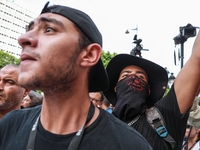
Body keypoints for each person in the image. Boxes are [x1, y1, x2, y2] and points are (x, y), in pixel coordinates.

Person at [0, 2, 152, 150]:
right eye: (29, 30)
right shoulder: (9, 125)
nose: (23, 39)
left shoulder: (129, 144)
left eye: (49, 30)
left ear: (89, 54)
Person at [104, 30, 200, 149]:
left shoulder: (165, 114)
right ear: (115, 87)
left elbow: (197, 59)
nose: (133, 78)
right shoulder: (99, 125)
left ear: (148, 89)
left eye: (140, 77)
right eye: (126, 76)